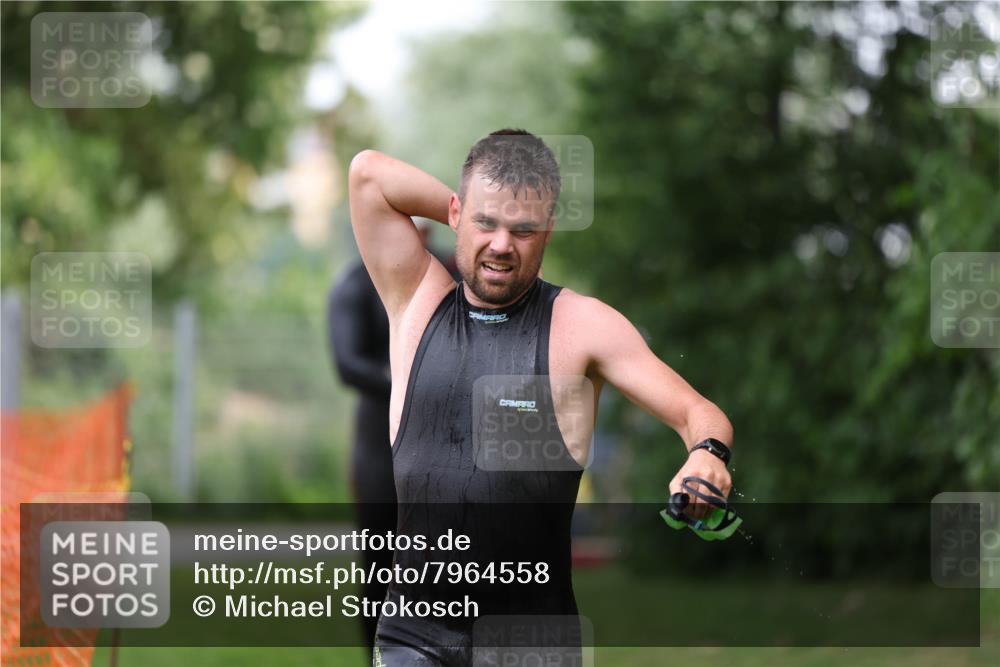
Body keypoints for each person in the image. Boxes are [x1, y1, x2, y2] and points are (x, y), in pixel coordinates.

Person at [347, 129, 734, 666]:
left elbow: (699, 413)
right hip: (413, 639)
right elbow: (367, 174)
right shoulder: (416, 299)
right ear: (455, 213)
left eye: (523, 229)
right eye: (486, 222)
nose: (502, 245)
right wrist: (472, 212)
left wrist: (707, 455)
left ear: (548, 230)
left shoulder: (582, 327)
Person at [327, 220, 458, 660]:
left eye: (422, 233)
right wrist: (412, 380)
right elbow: (348, 364)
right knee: (381, 566)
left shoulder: (453, 276)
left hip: (447, 445)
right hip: (379, 447)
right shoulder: (356, 283)